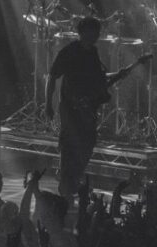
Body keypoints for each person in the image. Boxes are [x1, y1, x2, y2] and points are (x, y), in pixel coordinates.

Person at [44, 17, 149, 197]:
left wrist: (120, 73)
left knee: (87, 146)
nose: (96, 36)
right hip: (71, 109)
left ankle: (72, 182)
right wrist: (48, 104)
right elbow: (52, 77)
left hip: (88, 110)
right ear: (83, 32)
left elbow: (99, 79)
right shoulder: (69, 52)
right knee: (70, 147)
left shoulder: (93, 53)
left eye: (97, 33)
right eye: (93, 32)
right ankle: (66, 187)